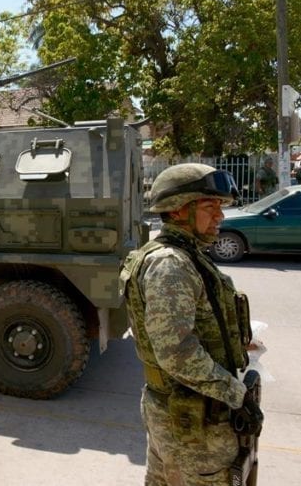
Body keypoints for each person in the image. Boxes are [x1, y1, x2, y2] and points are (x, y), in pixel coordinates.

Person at [120, 163, 263, 485]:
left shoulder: (185, 256)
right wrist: (236, 394)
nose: (221, 216)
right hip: (193, 420)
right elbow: (177, 353)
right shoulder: (170, 264)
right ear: (179, 210)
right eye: (210, 207)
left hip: (182, 412)